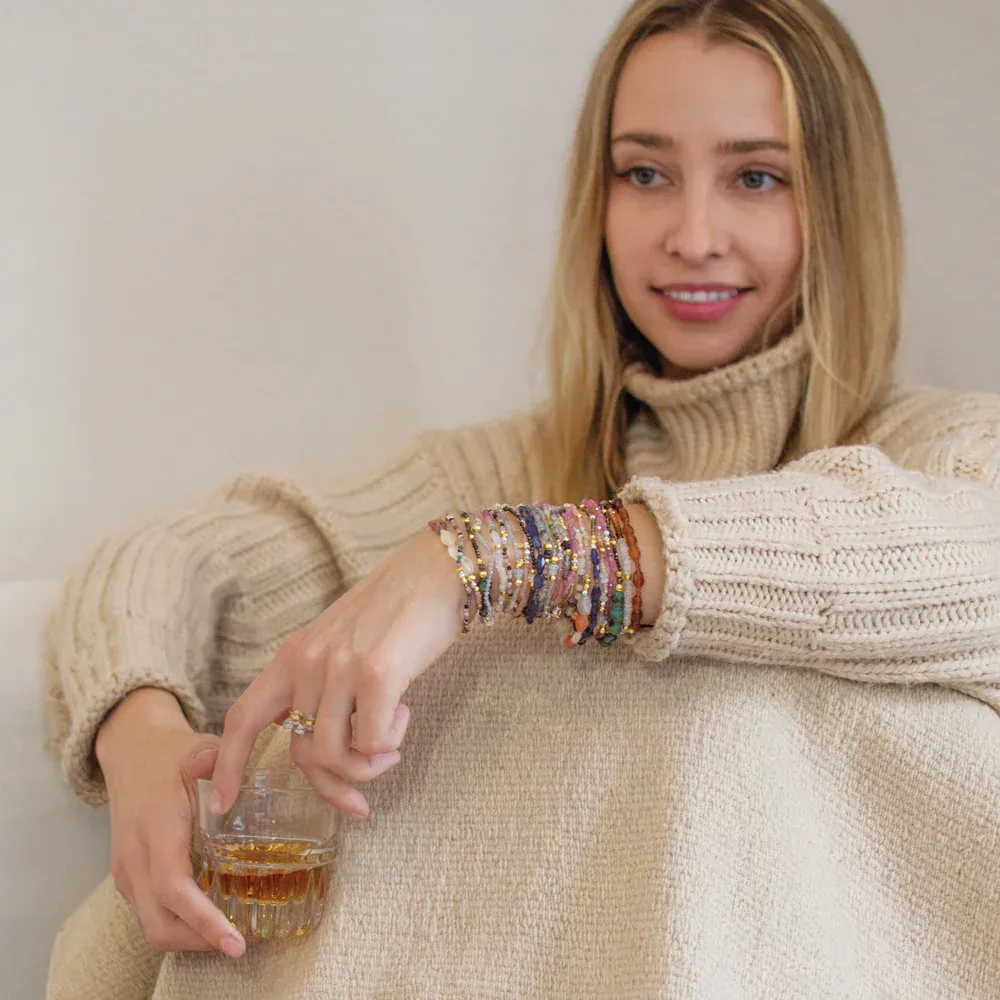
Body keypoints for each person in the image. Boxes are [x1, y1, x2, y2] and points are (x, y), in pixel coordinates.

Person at [44, 0, 1000, 997]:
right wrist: (141, 732)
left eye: (756, 177)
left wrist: (498, 565)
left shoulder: (937, 450)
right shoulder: (518, 468)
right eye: (644, 173)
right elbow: (166, 563)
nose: (692, 233)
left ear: (840, 206)